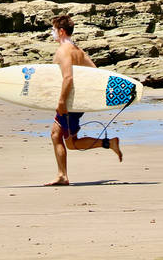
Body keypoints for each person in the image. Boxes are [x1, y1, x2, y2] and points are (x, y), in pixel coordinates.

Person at [45, 14, 122, 186]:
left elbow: (68, 78)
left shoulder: (63, 51)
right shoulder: (78, 51)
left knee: (57, 136)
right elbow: (95, 72)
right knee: (70, 142)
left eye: (54, 29)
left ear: (62, 31)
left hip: (69, 103)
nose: (52, 33)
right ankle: (109, 143)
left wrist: (62, 102)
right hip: (77, 102)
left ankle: (62, 175)